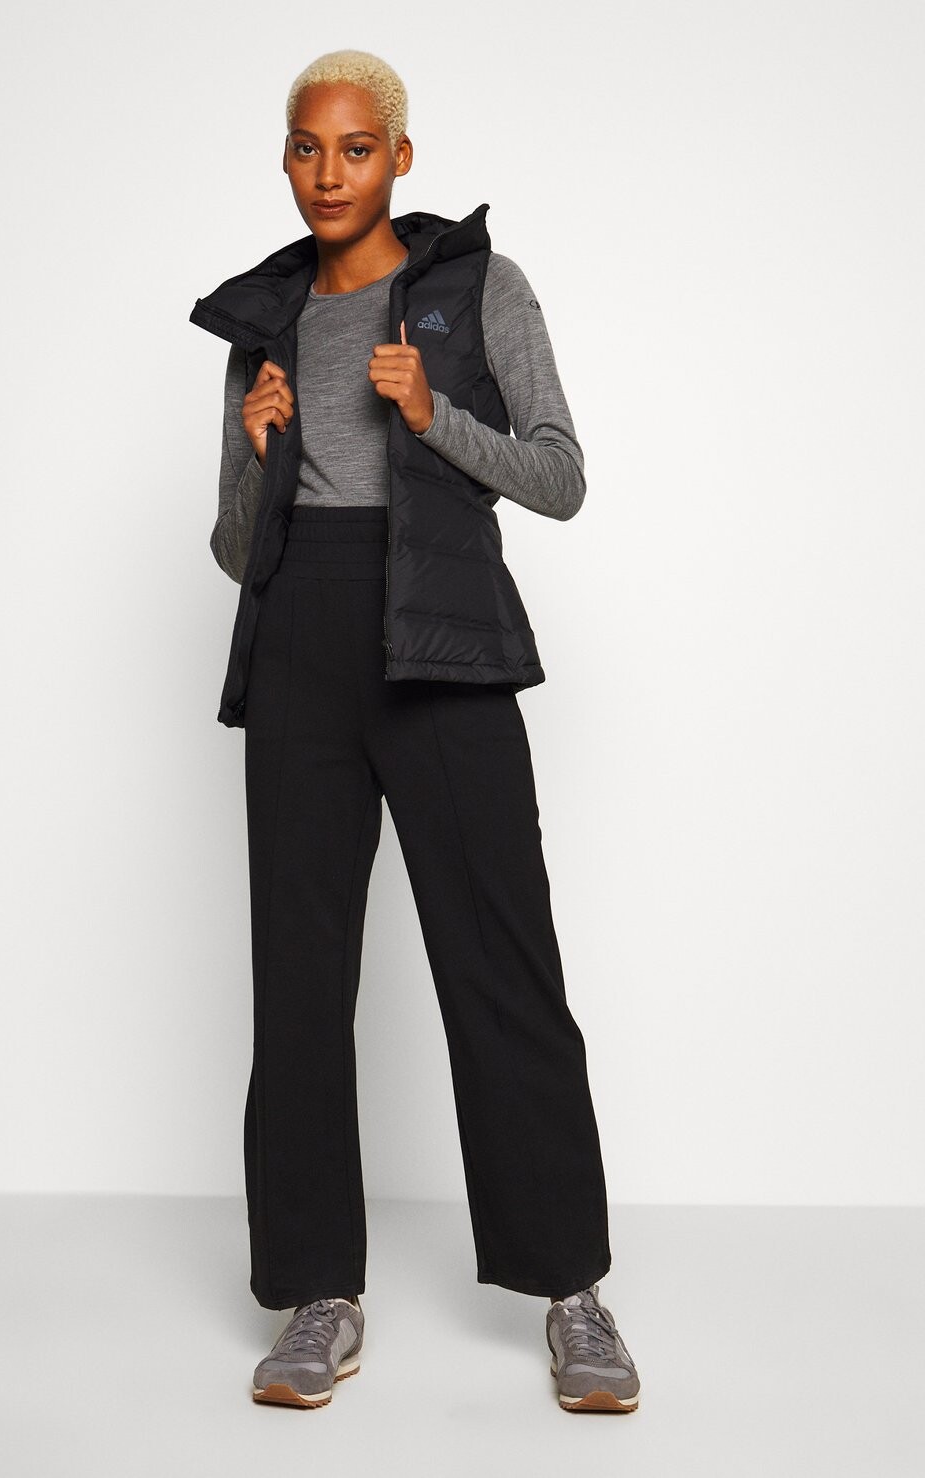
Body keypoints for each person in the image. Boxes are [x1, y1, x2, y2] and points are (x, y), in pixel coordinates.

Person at [189, 48, 640, 1414]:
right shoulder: (267, 323)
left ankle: (572, 1292)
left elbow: (560, 476)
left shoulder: (478, 289)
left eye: (355, 147)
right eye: (306, 148)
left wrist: (430, 415)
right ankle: (316, 1292)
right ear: (286, 160)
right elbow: (234, 551)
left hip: (442, 644)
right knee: (298, 975)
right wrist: (257, 458)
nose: (329, 173)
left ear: (399, 155)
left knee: (501, 957)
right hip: (303, 649)